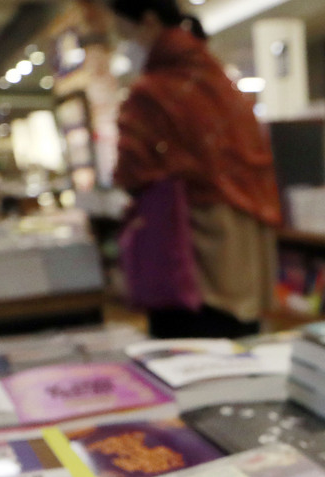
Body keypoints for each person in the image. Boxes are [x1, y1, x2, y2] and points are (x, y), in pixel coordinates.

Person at [110, 0, 281, 340]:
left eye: (124, 32)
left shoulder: (152, 90)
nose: (125, 42)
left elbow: (130, 170)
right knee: (243, 350)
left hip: (189, 249)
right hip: (245, 244)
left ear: (148, 21)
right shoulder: (219, 80)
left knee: (187, 356)